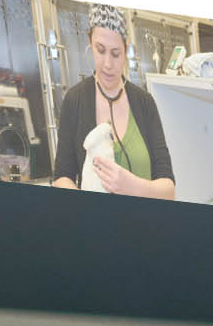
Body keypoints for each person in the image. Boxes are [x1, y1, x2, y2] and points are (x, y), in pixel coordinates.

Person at [63, 12, 180, 200]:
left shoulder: (144, 103)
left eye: (116, 53)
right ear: (90, 43)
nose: (108, 64)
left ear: (126, 51)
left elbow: (168, 191)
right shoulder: (74, 100)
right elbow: (62, 176)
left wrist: (131, 185)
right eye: (100, 50)